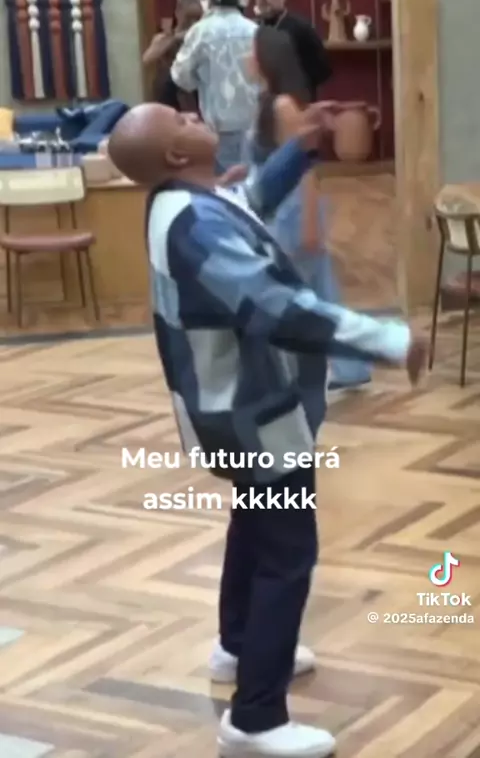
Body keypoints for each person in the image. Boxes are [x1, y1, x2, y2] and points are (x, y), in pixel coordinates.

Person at [108, 102, 427, 758]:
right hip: (252, 415)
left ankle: (236, 645)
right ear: (176, 155)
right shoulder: (195, 223)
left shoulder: (184, 205)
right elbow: (276, 307)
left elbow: (247, 206)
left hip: (230, 410)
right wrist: (387, 339)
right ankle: (255, 718)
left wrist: (299, 149)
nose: (192, 112)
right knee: (287, 556)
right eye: (179, 118)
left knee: (255, 527)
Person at [223, 26, 371, 390]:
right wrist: (241, 173)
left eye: (250, 51)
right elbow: (269, 157)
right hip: (276, 207)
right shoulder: (269, 102)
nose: (245, 58)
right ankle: (350, 368)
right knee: (318, 292)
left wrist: (309, 223)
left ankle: (291, 370)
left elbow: (304, 168)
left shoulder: (283, 106)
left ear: (265, 59)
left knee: (293, 292)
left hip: (291, 211)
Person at [170, 0, 258, 175]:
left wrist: (202, 79)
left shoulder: (200, 32)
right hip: (256, 126)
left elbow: (181, 77)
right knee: (253, 184)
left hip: (219, 127)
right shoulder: (254, 30)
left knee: (225, 185)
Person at [254, 0, 331, 101]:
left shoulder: (301, 29)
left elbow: (322, 71)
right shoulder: (252, 28)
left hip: (297, 103)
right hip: (263, 104)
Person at [142, 0, 202, 108]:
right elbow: (147, 59)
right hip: (169, 92)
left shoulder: (201, 37)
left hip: (193, 92)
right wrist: (175, 39)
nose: (193, 23)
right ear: (178, 14)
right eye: (189, 18)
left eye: (197, 18)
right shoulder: (165, 38)